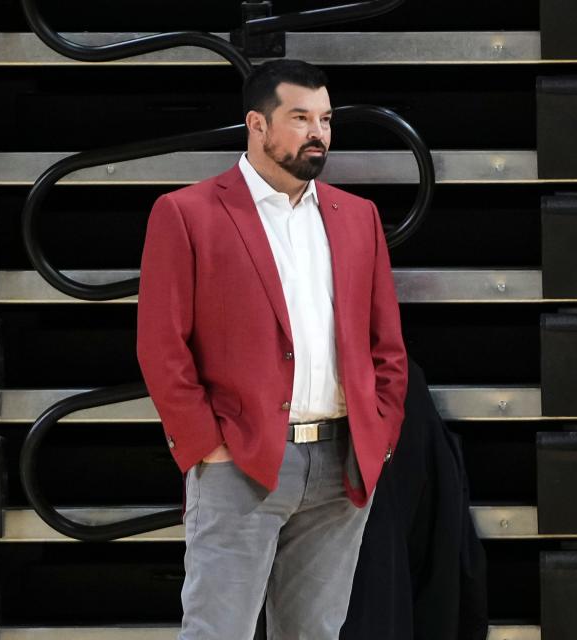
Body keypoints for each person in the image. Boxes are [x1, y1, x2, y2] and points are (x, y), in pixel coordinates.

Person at [136, 59, 408, 640]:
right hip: (241, 458)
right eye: (300, 118)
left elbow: (386, 343)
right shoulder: (186, 213)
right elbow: (161, 346)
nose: (319, 133)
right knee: (218, 632)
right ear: (256, 125)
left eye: (327, 119)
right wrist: (206, 447)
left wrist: (378, 432)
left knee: (316, 633)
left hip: (341, 460)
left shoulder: (357, 217)